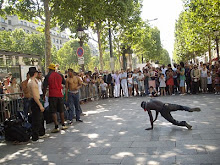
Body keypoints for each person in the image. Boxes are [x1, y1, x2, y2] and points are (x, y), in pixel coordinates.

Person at [43, 63, 68, 133]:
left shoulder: (48, 76)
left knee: (53, 111)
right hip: (60, 94)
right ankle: (63, 125)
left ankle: (56, 126)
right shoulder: (60, 75)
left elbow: (44, 87)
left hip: (52, 95)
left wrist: (43, 96)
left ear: (49, 69)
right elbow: (65, 83)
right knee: (61, 110)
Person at [28, 67, 45, 142]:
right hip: (36, 101)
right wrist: (40, 105)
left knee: (39, 118)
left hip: (35, 100)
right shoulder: (32, 82)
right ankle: (35, 137)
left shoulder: (32, 81)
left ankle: (39, 134)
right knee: (36, 119)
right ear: (35, 73)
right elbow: (35, 96)